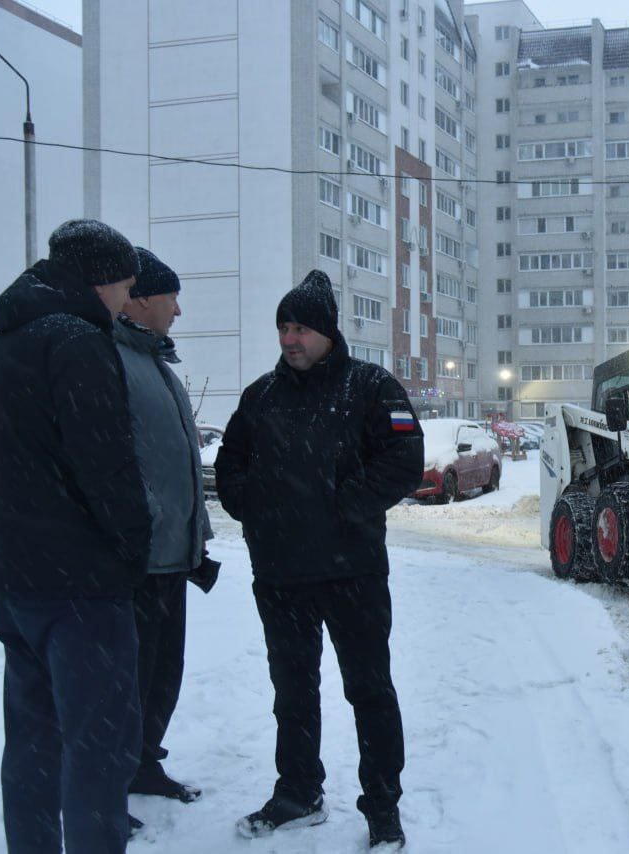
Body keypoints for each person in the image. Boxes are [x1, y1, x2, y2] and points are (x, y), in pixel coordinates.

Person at [216, 270, 423, 848]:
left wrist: (346, 505)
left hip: (352, 572)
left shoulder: (372, 388)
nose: (289, 338)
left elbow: (405, 458)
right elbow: (229, 464)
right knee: (293, 692)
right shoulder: (260, 397)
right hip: (281, 577)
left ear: (327, 332)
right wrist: (252, 506)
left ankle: (383, 806)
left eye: (300, 327)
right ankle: (298, 792)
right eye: (283, 326)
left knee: (370, 691)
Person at [0, 219, 152, 853]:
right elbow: (106, 464)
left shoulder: (2, 346)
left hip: (15, 579)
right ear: (101, 280)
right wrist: (135, 544)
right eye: (125, 286)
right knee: (99, 746)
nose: (125, 301)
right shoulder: (77, 341)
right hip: (80, 586)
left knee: (32, 740)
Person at [114, 247, 219, 805]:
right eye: (173, 297)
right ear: (142, 298)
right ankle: (109, 778)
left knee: (161, 672)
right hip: (137, 557)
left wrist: (194, 532)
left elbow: (174, 461)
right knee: (126, 678)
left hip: (172, 555)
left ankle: (143, 764)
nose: (178, 310)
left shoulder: (156, 363)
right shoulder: (111, 359)